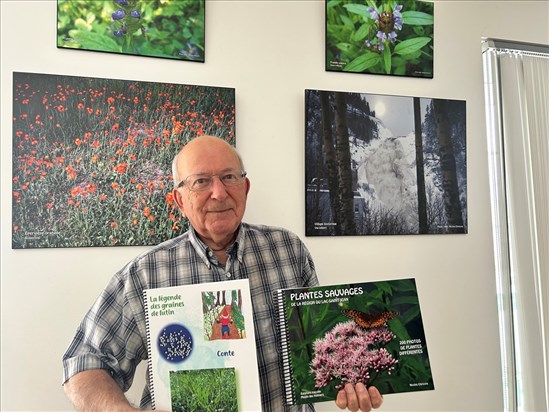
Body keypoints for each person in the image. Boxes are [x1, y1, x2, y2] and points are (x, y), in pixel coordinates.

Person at [62, 135, 383, 412]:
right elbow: (83, 363)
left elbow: (316, 347)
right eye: (201, 181)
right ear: (179, 200)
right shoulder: (145, 274)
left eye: (229, 177)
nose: (219, 192)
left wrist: (351, 378)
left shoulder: (288, 249)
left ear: (245, 187)